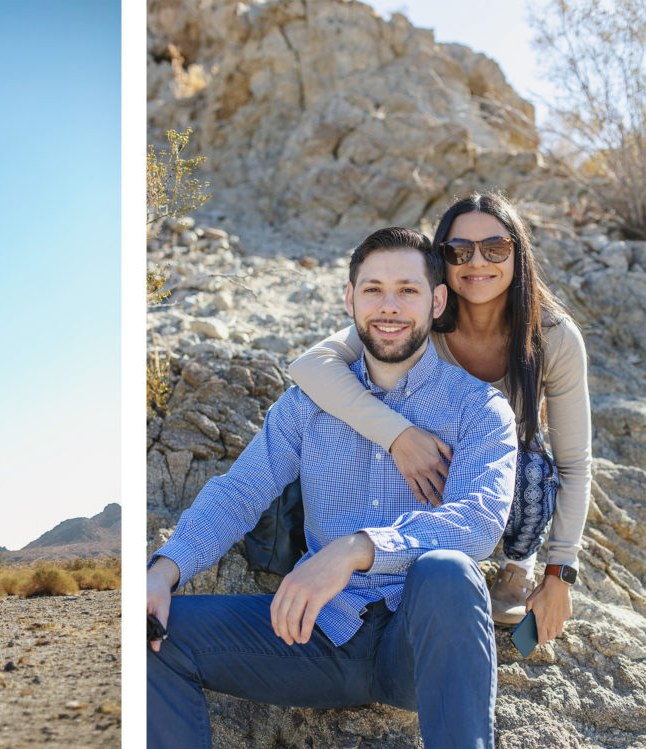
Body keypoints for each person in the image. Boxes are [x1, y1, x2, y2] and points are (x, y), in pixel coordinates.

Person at [147, 227, 518, 749]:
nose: (389, 306)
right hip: (313, 635)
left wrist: (356, 549)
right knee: (150, 633)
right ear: (350, 299)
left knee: (450, 570)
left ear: (437, 302)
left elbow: (478, 522)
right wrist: (163, 571)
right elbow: (240, 493)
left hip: (414, 642)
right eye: (373, 289)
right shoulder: (306, 405)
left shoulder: (479, 408)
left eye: (407, 291)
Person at [289, 192, 591, 638]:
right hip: (418, 473)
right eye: (459, 251)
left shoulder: (552, 337)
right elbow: (310, 367)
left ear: (517, 253)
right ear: (441, 261)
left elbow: (574, 464)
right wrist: (398, 435)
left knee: (532, 465)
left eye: (495, 248)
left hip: (489, 484)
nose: (477, 262)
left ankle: (514, 566)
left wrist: (558, 574)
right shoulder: (416, 314)